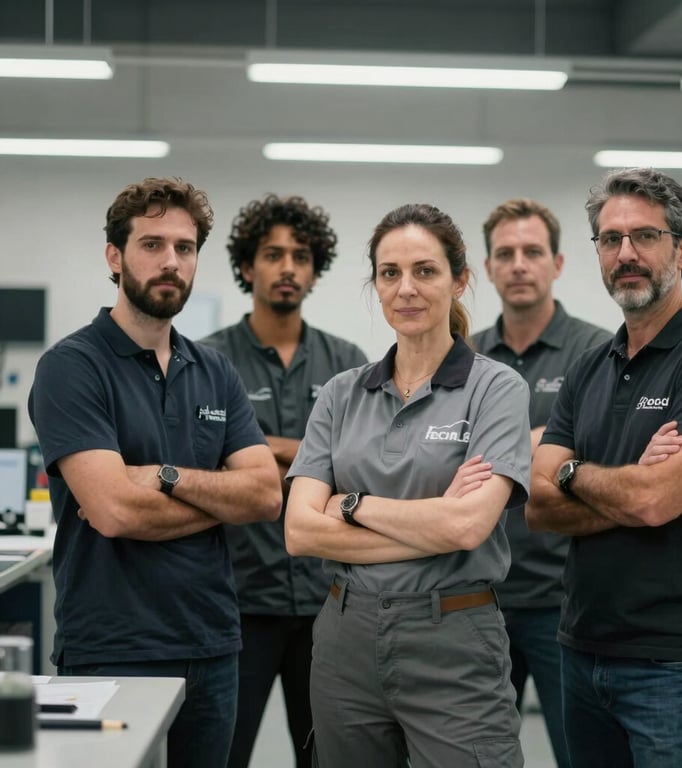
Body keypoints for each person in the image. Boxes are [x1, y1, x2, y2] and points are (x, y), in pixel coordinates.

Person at [28, 177, 283, 768]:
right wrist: (220, 497)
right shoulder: (72, 368)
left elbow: (267, 495)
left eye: (185, 247)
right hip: (112, 650)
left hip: (214, 645)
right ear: (115, 257)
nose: (171, 261)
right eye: (152, 244)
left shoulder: (214, 370)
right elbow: (115, 512)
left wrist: (166, 476)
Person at [526, 167, 682, 768]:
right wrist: (627, 483)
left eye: (644, 237)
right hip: (581, 648)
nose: (625, 254)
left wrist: (575, 471)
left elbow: (655, 501)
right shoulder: (590, 366)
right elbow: (538, 505)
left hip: (675, 664)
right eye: (610, 239)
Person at [284, 202, 531, 768]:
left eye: (425, 270)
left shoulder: (495, 389)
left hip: (454, 638)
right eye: (389, 273)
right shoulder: (341, 394)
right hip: (346, 640)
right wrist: (435, 520)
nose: (406, 289)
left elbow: (470, 525)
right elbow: (299, 531)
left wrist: (351, 504)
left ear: (460, 280)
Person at [200, 193, 367, 768]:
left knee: (328, 757)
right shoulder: (208, 362)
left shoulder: (348, 366)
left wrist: (263, 451)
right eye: (273, 254)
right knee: (223, 753)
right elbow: (210, 471)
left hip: (331, 604)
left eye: (300, 255)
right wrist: (314, 460)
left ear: (315, 269)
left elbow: (362, 468)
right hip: (237, 604)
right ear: (247, 267)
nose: (288, 267)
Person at [471, 197, 611, 767]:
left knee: (579, 754)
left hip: (567, 603)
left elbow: (602, 463)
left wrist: (500, 451)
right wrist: (546, 443)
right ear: (487, 269)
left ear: (556, 263)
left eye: (532, 252)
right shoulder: (465, 356)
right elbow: (440, 458)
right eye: (505, 254)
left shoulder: (599, 352)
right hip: (477, 598)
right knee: (473, 755)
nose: (519, 264)